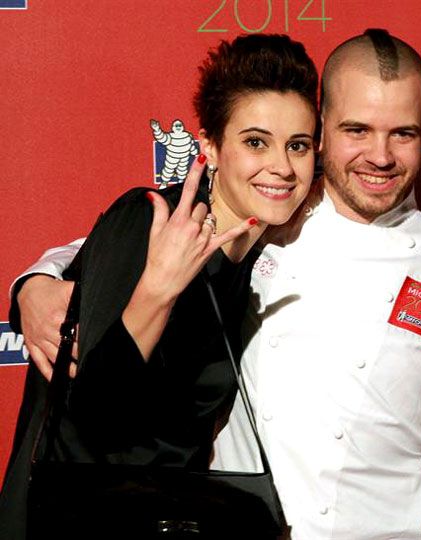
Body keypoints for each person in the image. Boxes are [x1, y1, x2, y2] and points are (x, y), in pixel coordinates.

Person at [6, 29, 421, 539]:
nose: (379, 155)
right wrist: (36, 281)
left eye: (402, 133)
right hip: (233, 528)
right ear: (324, 128)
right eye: (355, 131)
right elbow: (137, 241)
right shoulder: (270, 213)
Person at [0, 33, 318, 539]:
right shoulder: (147, 221)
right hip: (82, 519)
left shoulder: (257, 250)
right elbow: (92, 415)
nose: (281, 166)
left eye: (298, 145)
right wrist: (158, 290)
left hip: (176, 516)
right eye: (255, 142)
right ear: (210, 146)